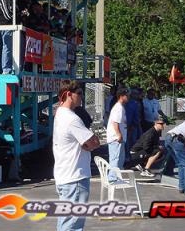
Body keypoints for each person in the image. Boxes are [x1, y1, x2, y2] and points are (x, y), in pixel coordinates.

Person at [53, 80, 100, 231]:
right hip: (75, 177)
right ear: (68, 95)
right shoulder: (72, 119)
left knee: (66, 222)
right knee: (72, 225)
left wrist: (86, 142)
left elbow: (87, 143)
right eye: (79, 93)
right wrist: (90, 140)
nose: (82, 97)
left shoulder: (60, 113)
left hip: (65, 175)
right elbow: (93, 143)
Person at [106, 87, 129, 182]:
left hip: (119, 138)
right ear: (121, 96)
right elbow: (115, 123)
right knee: (115, 159)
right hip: (116, 138)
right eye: (127, 96)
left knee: (120, 159)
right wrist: (119, 135)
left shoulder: (120, 107)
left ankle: (117, 177)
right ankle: (112, 178)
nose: (128, 97)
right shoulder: (118, 108)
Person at [0, 0, 14, 74]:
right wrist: (16, 15)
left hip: (12, 27)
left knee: (12, 48)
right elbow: (7, 15)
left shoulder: (11, 0)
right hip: (5, 26)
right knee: (7, 47)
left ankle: (12, 68)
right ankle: (6, 69)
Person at [124, 88, 139, 162]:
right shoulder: (125, 103)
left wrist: (133, 125)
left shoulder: (133, 103)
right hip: (126, 126)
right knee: (128, 142)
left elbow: (136, 116)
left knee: (131, 142)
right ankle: (128, 157)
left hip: (131, 126)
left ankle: (131, 157)